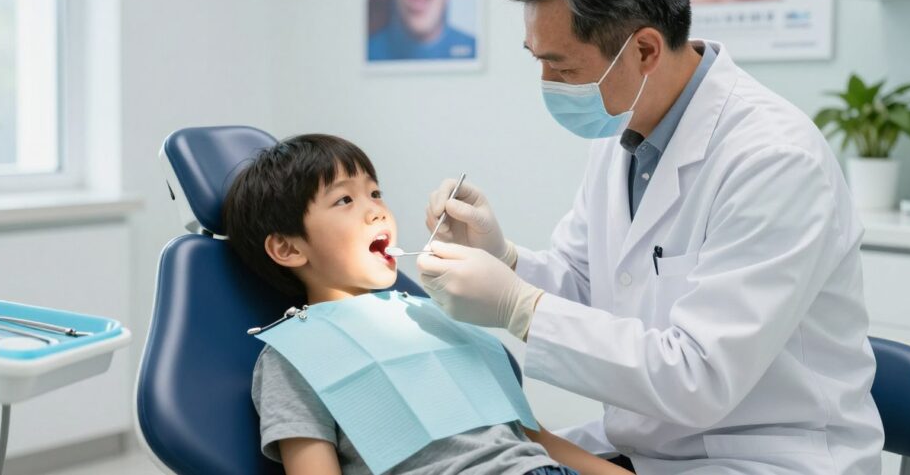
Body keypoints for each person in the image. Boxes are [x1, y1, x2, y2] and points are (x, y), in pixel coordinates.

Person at [416, 0, 883, 475]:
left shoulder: (773, 160)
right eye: (536, 59)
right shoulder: (624, 127)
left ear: (644, 50)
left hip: (764, 453)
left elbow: (699, 376)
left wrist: (519, 307)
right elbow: (591, 285)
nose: (546, 83)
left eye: (561, 66)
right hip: (652, 442)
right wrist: (506, 260)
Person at [221, 134, 630, 475]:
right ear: (287, 248)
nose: (376, 210)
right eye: (344, 200)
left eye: (375, 192)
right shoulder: (298, 356)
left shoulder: (435, 316)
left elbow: (536, 440)